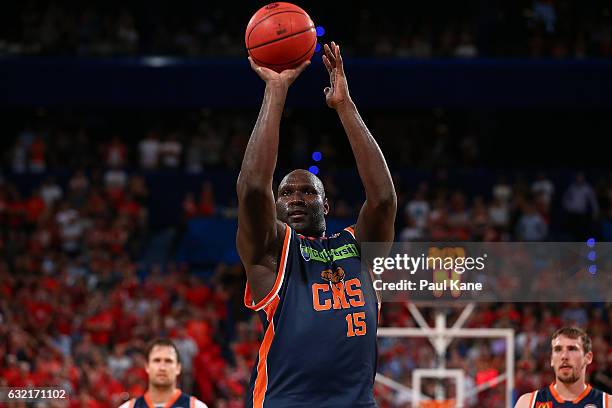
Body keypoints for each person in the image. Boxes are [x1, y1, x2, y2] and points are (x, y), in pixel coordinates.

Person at [236, 41, 396, 407]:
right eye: (286, 193)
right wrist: (275, 89)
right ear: (274, 206)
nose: (294, 198)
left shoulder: (358, 248)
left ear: (326, 203)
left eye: (306, 192)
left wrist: (345, 107)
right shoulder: (271, 255)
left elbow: (384, 200)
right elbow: (251, 189)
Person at [514, 327, 611, 407]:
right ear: (552, 359)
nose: (564, 356)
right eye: (558, 349)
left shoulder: (607, 403)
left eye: (572, 349)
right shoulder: (528, 403)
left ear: (588, 357)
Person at [118, 338, 208, 408]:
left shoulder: (196, 406)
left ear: (178, 367)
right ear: (147, 366)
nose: (162, 367)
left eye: (168, 361)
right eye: (157, 360)